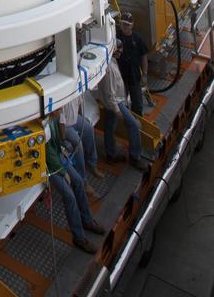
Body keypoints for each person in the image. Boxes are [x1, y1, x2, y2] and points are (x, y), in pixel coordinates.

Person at [45, 122, 105, 254]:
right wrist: (62, 172)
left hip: (57, 155)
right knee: (69, 196)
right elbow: (48, 152)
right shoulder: (44, 121)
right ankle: (79, 237)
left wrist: (60, 125)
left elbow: (58, 140)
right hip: (48, 165)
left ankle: (87, 220)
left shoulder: (53, 117)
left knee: (78, 181)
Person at [93, 40, 149, 172]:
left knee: (109, 127)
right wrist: (118, 111)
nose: (120, 53)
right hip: (115, 103)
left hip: (115, 102)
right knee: (134, 125)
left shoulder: (111, 62)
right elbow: (110, 94)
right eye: (118, 50)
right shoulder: (109, 69)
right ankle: (135, 156)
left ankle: (111, 154)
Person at [58, 97, 99, 180]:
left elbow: (79, 104)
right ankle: (83, 179)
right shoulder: (62, 94)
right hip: (65, 125)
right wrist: (63, 139)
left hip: (75, 119)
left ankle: (92, 163)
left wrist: (82, 118)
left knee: (89, 129)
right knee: (78, 144)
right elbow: (60, 120)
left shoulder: (74, 87)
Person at [117, 13, 149, 115]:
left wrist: (144, 74)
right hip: (121, 77)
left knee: (138, 103)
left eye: (128, 24)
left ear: (132, 25)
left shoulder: (138, 39)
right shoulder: (115, 38)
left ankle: (137, 122)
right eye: (123, 24)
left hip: (134, 77)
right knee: (122, 103)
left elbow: (144, 57)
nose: (125, 26)